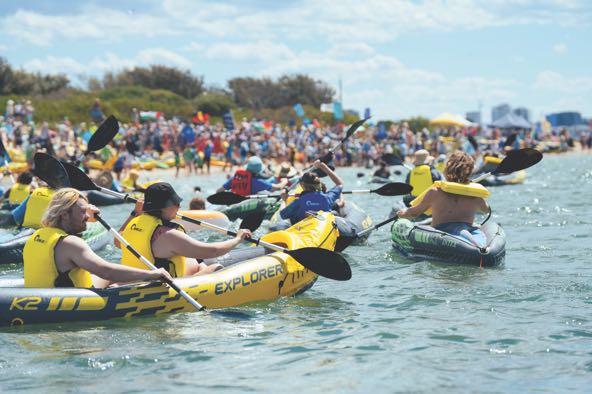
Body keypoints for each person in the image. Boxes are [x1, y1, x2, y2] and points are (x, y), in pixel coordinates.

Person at [23, 188, 171, 288]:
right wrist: (153, 274)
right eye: (82, 212)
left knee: (117, 276)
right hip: (68, 304)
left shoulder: (36, 235)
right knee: (117, 275)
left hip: (41, 297)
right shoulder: (71, 244)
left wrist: (85, 213)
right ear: (64, 214)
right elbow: (106, 271)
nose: (87, 216)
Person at [118, 182, 252, 277]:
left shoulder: (134, 223)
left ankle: (200, 267)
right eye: (176, 203)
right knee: (216, 268)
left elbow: (117, 241)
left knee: (198, 263)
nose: (179, 206)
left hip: (134, 280)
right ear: (165, 207)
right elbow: (211, 251)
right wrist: (237, 239)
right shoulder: (168, 235)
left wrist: (135, 212)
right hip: (164, 288)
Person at [397, 151, 489, 247]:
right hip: (465, 234)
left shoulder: (435, 192)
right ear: (470, 171)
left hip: (441, 235)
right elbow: (486, 210)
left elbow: (414, 212)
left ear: (447, 169)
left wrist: (402, 213)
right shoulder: (475, 196)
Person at [279, 160, 343, 225]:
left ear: (301, 185)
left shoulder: (298, 201)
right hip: (322, 230)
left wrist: (284, 200)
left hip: (305, 230)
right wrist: (323, 167)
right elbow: (340, 184)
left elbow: (283, 215)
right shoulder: (328, 198)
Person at [216, 156, 287, 196]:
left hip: (234, 200)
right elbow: (278, 187)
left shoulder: (235, 178)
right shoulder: (258, 182)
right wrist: (285, 181)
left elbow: (219, 191)